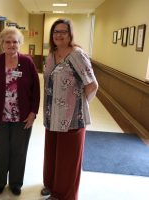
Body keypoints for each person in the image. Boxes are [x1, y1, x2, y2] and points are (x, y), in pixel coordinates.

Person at [41, 18, 98, 200]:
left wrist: (79, 105)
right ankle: (51, 185)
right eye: (55, 31)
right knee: (53, 155)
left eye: (63, 31)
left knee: (67, 160)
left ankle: (63, 195)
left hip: (72, 118)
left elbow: (92, 85)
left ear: (70, 34)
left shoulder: (77, 54)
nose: (59, 35)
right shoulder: (51, 55)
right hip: (51, 116)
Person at [0, 27, 40, 196]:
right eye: (7, 41)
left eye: (15, 41)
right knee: (0, 150)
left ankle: (16, 183)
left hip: (22, 116)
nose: (11, 45)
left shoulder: (27, 62)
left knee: (19, 150)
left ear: (20, 43)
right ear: (1, 44)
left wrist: (33, 113)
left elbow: (36, 90)